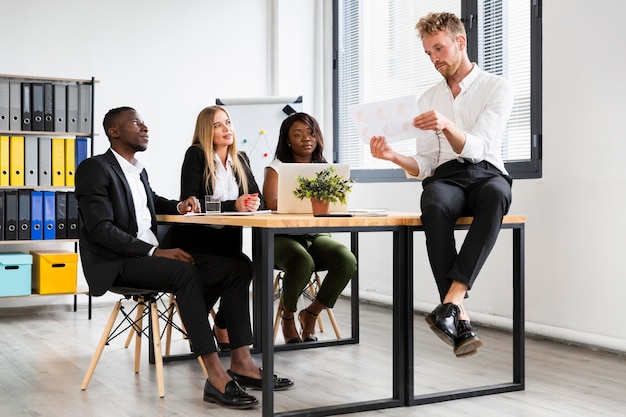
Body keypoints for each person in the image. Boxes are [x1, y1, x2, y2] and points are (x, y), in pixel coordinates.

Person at [75, 106, 293, 410]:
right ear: (114, 132)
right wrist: (154, 251)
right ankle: (215, 376)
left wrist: (179, 206)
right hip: (120, 263)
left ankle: (242, 361)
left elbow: (152, 201)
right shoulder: (95, 168)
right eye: (136, 123)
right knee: (184, 272)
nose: (145, 126)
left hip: (148, 255)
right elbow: (100, 229)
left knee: (238, 267)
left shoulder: (137, 169)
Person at [370, 12, 513, 358]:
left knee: (496, 194)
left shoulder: (497, 87)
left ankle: (450, 305)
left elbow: (479, 146)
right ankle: (457, 313)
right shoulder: (427, 98)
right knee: (432, 200)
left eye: (439, 49)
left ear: (460, 42)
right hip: (447, 177)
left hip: (486, 174)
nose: (434, 59)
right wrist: (392, 156)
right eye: (428, 54)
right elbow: (427, 165)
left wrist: (448, 125)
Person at [164, 105, 265, 351]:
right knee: (240, 268)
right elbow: (192, 200)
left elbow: (255, 194)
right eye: (217, 125)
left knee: (244, 266)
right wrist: (235, 204)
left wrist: (253, 202)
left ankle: (219, 324)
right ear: (205, 131)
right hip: (194, 242)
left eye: (228, 122)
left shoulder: (241, 159)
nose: (226, 129)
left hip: (227, 241)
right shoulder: (196, 155)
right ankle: (203, 324)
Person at [263, 112, 357, 344]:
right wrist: (312, 202)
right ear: (287, 140)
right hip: (281, 236)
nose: (306, 138)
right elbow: (272, 202)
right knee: (301, 261)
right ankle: (288, 316)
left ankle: (311, 313)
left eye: (311, 132)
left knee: (346, 260)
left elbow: (337, 202)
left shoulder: (324, 167)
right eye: (297, 134)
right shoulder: (276, 167)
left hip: (315, 234)